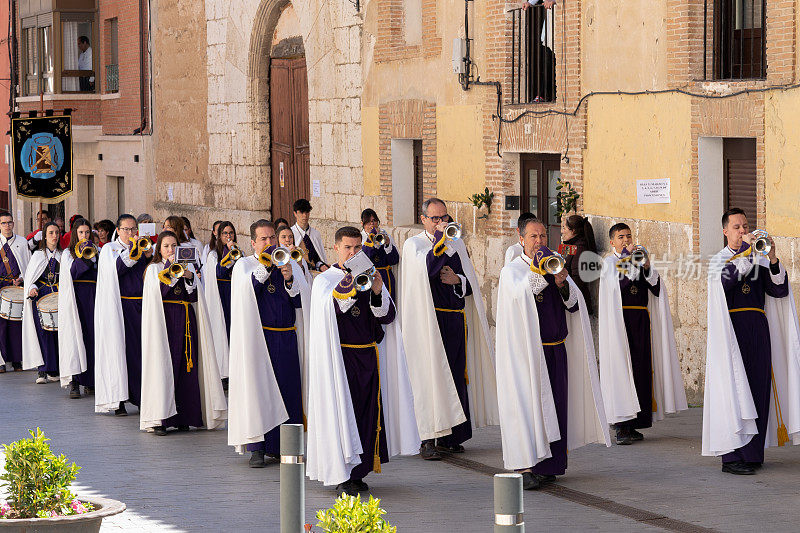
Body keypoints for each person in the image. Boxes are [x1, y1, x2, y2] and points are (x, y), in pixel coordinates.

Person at [496, 218, 609, 490]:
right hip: (529, 354)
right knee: (531, 408)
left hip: (557, 349)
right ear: (521, 239)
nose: (539, 241)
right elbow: (526, 293)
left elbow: (573, 305)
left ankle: (550, 466)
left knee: (556, 408)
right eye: (533, 236)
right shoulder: (512, 272)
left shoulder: (555, 262)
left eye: (543, 236)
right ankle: (527, 465)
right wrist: (541, 273)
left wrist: (561, 283)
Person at [306, 226, 419, 495]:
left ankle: (359, 471)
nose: (354, 252)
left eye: (358, 247)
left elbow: (387, 317)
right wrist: (352, 285)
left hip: (369, 355)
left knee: (368, 415)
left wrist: (378, 289)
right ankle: (342, 474)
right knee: (346, 413)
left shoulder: (369, 275)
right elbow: (331, 308)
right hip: (341, 359)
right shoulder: (326, 279)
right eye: (348, 248)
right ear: (336, 249)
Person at [703, 208, 800, 475]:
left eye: (745, 226)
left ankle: (753, 454)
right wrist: (746, 254)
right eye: (737, 227)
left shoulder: (758, 260)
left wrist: (772, 257)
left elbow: (779, 290)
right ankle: (732, 456)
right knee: (733, 390)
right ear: (725, 231)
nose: (744, 231)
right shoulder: (719, 260)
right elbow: (725, 283)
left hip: (758, 330)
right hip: (732, 332)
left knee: (758, 388)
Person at [400, 198, 498, 460]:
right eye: (435, 219)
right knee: (432, 378)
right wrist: (440, 243)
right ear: (424, 219)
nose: (442, 223)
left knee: (455, 376)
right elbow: (426, 272)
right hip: (430, 323)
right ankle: (429, 438)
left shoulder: (456, 243)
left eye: (445, 218)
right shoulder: (414, 245)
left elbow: (471, 284)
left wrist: (459, 280)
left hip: (455, 320)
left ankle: (451, 435)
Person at [228, 220, 312, 467]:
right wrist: (267, 266)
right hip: (258, 339)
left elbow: (299, 303)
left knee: (288, 391)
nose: (269, 243)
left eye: (271, 238)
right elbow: (248, 291)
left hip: (286, 336)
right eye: (263, 239)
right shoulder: (244, 265)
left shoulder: (287, 262)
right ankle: (258, 447)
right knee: (259, 391)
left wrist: (289, 278)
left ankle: (286, 446)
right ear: (253, 242)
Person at [598, 223, 687, 446]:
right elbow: (620, 285)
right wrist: (629, 261)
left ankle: (635, 423)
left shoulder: (637, 259)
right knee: (623, 370)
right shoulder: (609, 263)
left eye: (628, 236)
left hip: (641, 323)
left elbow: (656, 288)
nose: (626, 240)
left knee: (641, 371)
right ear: (612, 242)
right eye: (621, 237)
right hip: (621, 324)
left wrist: (646, 266)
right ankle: (621, 426)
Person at [140, 231, 227, 436]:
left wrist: (189, 277)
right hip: (165, 322)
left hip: (186, 320)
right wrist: (171, 271)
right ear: (159, 249)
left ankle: (185, 416)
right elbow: (158, 293)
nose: (170, 250)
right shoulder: (153, 269)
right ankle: (161, 417)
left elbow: (195, 296)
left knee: (187, 367)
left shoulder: (186, 267)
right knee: (166, 366)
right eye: (166, 246)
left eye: (173, 246)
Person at [94, 214, 153, 415]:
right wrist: (132, 252)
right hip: (120, 307)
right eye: (126, 229)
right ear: (117, 231)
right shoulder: (109, 250)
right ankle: (119, 398)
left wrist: (149, 257)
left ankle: (140, 395)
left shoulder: (143, 247)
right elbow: (116, 270)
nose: (130, 233)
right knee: (120, 352)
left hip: (142, 305)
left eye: (133, 229)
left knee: (140, 352)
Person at [58, 218, 98, 399]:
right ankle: (75, 381)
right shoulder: (68, 254)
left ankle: (90, 380)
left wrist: (94, 258)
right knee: (75, 338)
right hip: (76, 299)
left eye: (87, 232)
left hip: (93, 297)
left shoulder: (98, 252)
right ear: (75, 233)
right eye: (81, 232)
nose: (84, 236)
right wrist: (84, 258)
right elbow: (71, 274)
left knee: (92, 337)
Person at [22, 222, 62, 384]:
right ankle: (42, 370)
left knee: (58, 333)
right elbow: (31, 278)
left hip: (58, 295)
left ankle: (55, 369)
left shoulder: (63, 255)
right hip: (41, 296)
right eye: (51, 233)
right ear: (44, 236)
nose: (54, 236)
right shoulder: (38, 255)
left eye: (57, 232)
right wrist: (31, 289)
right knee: (43, 333)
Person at [201, 221, 239, 383]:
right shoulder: (213, 254)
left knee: (235, 330)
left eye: (231, 233)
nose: (228, 236)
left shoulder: (238, 251)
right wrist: (229, 258)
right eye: (225, 233)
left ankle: (236, 367)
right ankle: (224, 372)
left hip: (234, 293)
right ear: (219, 236)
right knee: (223, 330)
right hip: (221, 294)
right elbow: (218, 273)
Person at [0, 210, 30, 373]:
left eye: (9, 222)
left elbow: (28, 264)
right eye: (3, 223)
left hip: (17, 288)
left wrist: (22, 278)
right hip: (0, 289)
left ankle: (17, 360)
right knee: (1, 326)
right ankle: (2, 361)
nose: (7, 226)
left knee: (16, 324)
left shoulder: (22, 242)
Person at [559, 215, 597, 313]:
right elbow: (563, 260)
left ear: (573, 231)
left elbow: (577, 280)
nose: (562, 231)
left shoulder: (580, 248)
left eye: (564, 228)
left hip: (576, 304)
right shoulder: (572, 245)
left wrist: (562, 289)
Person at [360, 208, 399, 301]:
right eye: (368, 222)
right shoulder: (360, 239)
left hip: (386, 276)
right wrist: (371, 241)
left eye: (374, 221)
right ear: (362, 223)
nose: (372, 224)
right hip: (370, 277)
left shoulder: (385, 235)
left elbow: (394, 260)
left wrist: (388, 244)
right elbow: (364, 259)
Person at [291, 199, 328, 272]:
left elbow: (319, 257)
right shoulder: (290, 233)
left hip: (315, 272)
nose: (305, 215)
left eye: (307, 212)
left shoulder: (315, 234)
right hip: (298, 272)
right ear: (295, 213)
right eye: (301, 212)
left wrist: (321, 265)